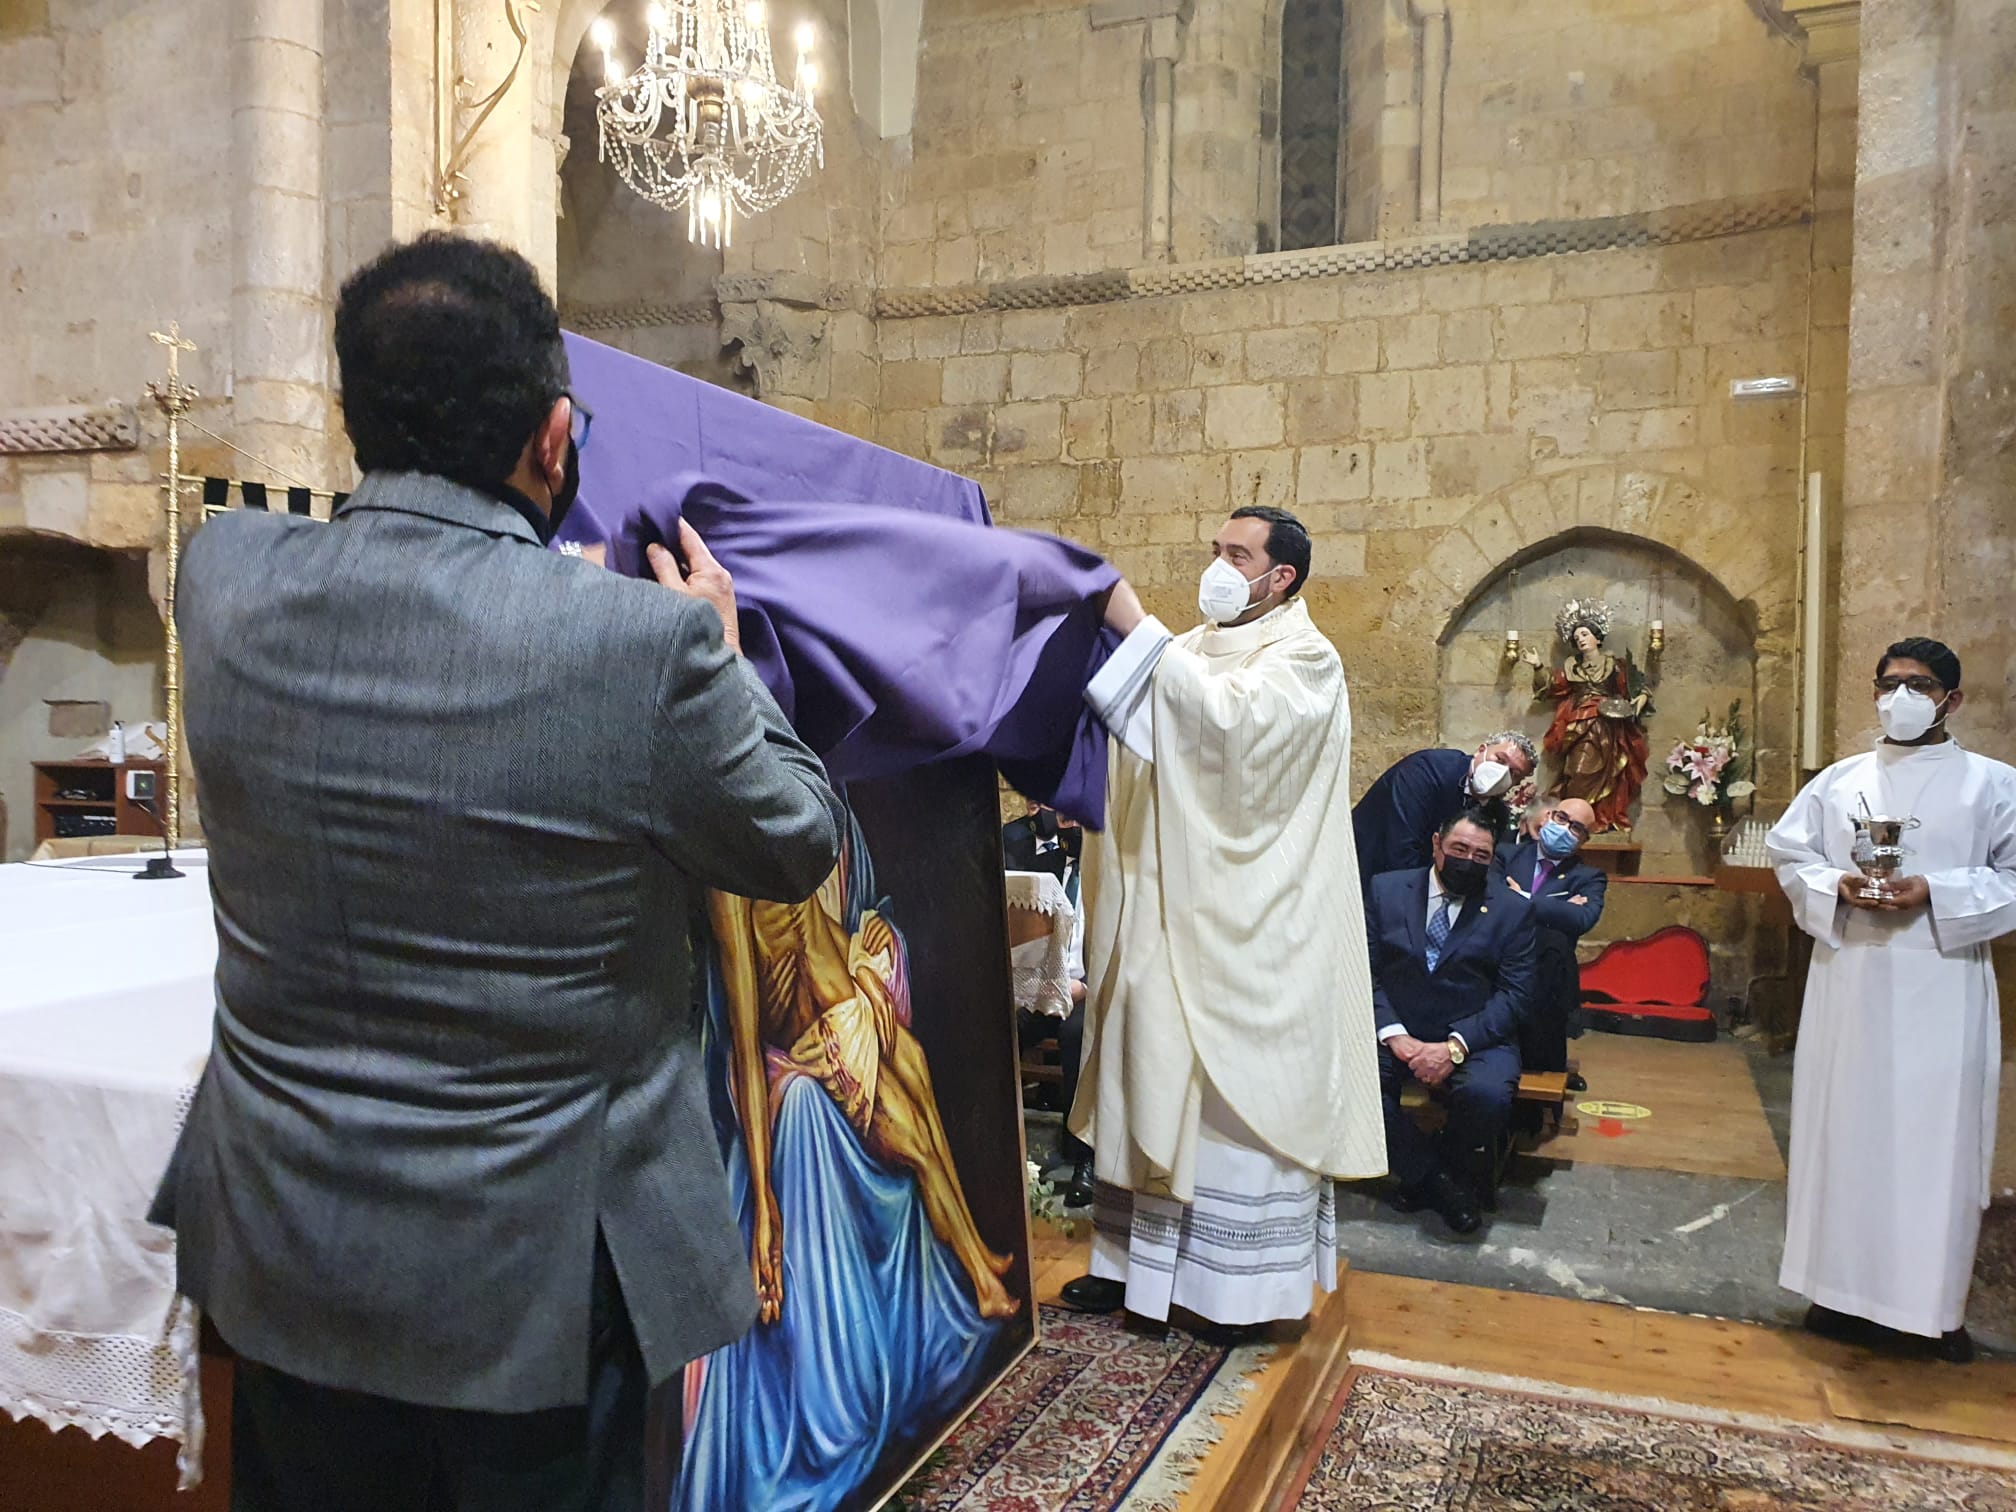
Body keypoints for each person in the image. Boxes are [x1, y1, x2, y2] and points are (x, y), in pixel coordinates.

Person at [147, 233, 846, 1512]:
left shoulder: (223, 578)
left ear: (354, 416)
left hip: (289, 1237)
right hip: (536, 1282)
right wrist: (727, 654)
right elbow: (795, 838)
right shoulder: (644, 647)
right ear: (556, 438)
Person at [1060, 505, 1386, 1340]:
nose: (1218, 564)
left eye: (1237, 554)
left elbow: (1231, 737)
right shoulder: (1198, 650)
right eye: (1215, 549)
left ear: (1282, 577)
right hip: (1161, 918)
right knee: (1148, 1076)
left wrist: (1130, 621)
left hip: (1250, 931)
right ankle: (1134, 1273)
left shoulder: (1308, 660)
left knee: (1222, 1116)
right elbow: (1156, 729)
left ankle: (1229, 1294)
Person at [1767, 636, 2014, 1364]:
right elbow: (1792, 854)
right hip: (1853, 979)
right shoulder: (1840, 782)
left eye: (1919, 684)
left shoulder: (1992, 784)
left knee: (1933, 1143)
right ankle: (1838, 1295)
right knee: (1844, 1130)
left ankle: (1929, 1308)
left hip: (1941, 977)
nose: (1901, 696)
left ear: (1952, 699)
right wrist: (1837, 886)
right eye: (1890, 683)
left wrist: (1935, 890)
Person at [1367, 810, 1536, 1235]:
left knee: (1488, 1095)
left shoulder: (1512, 910)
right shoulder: (1386, 889)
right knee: (1352, 1086)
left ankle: (1426, 1172)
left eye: (1481, 855)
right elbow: (1361, 971)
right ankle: (1439, 1182)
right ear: (1436, 845)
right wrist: (1395, 1034)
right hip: (1396, 1028)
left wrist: (1456, 1046)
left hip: (1474, 1032)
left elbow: (1516, 995)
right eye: (1459, 849)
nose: (1469, 860)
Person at [1002, 805, 1094, 1203]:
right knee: (1005, 1026)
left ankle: (1083, 1160)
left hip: (1091, 992)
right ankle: (1006, 1149)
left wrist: (1087, 987)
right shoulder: (1050, 866)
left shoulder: (1112, 882)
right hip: (1047, 987)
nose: (1067, 824)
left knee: (1077, 1035)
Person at [1492, 797, 1606, 1088]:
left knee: (1553, 946)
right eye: (1562, 818)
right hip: (1495, 955)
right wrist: (1556, 907)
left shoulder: (1589, 877)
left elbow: (1581, 919)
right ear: (1547, 817)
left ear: (1584, 839)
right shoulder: (1506, 855)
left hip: (1545, 975)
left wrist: (1523, 899)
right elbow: (1491, 901)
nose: (1566, 828)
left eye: (1577, 828)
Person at [1353, 731, 1539, 893]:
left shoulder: (1496, 813)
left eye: (1514, 773)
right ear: (1481, 750)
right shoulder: (1427, 770)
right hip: (1366, 865)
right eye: (1499, 759)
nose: (1502, 773)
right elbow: (1401, 845)